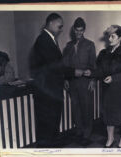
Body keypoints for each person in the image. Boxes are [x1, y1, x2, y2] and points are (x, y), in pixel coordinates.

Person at [31, 13, 83, 148]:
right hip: (46, 92)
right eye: (60, 26)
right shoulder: (43, 40)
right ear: (51, 23)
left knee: (53, 122)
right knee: (47, 125)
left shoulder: (50, 39)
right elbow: (55, 66)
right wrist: (74, 72)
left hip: (52, 90)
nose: (61, 29)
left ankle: (53, 146)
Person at [84, 25, 121, 148]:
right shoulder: (104, 53)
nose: (110, 39)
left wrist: (114, 78)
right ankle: (110, 137)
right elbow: (100, 71)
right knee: (108, 115)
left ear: (120, 38)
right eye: (109, 36)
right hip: (107, 90)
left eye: (113, 36)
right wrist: (92, 73)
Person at [62, 17, 96, 145]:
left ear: (84, 30)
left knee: (86, 107)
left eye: (81, 31)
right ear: (73, 30)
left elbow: (93, 65)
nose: (78, 33)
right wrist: (66, 79)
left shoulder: (89, 45)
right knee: (75, 107)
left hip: (85, 81)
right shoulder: (68, 46)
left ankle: (87, 132)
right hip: (72, 81)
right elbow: (65, 65)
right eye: (76, 31)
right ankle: (79, 131)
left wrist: (92, 80)